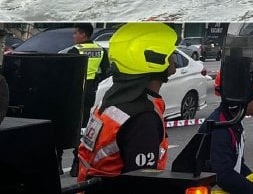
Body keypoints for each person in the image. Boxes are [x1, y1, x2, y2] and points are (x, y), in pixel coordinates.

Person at [77, 22, 178, 187]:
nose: (174, 57)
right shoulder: (142, 118)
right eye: (170, 52)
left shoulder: (115, 99)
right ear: (155, 60)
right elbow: (141, 185)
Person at [66, 23, 109, 177]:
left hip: (75, 91)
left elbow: (67, 73)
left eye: (76, 33)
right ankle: (76, 164)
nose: (74, 36)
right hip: (90, 91)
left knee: (69, 124)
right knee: (83, 127)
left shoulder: (75, 51)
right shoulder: (100, 50)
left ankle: (58, 162)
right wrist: (96, 82)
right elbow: (106, 71)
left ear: (84, 35)